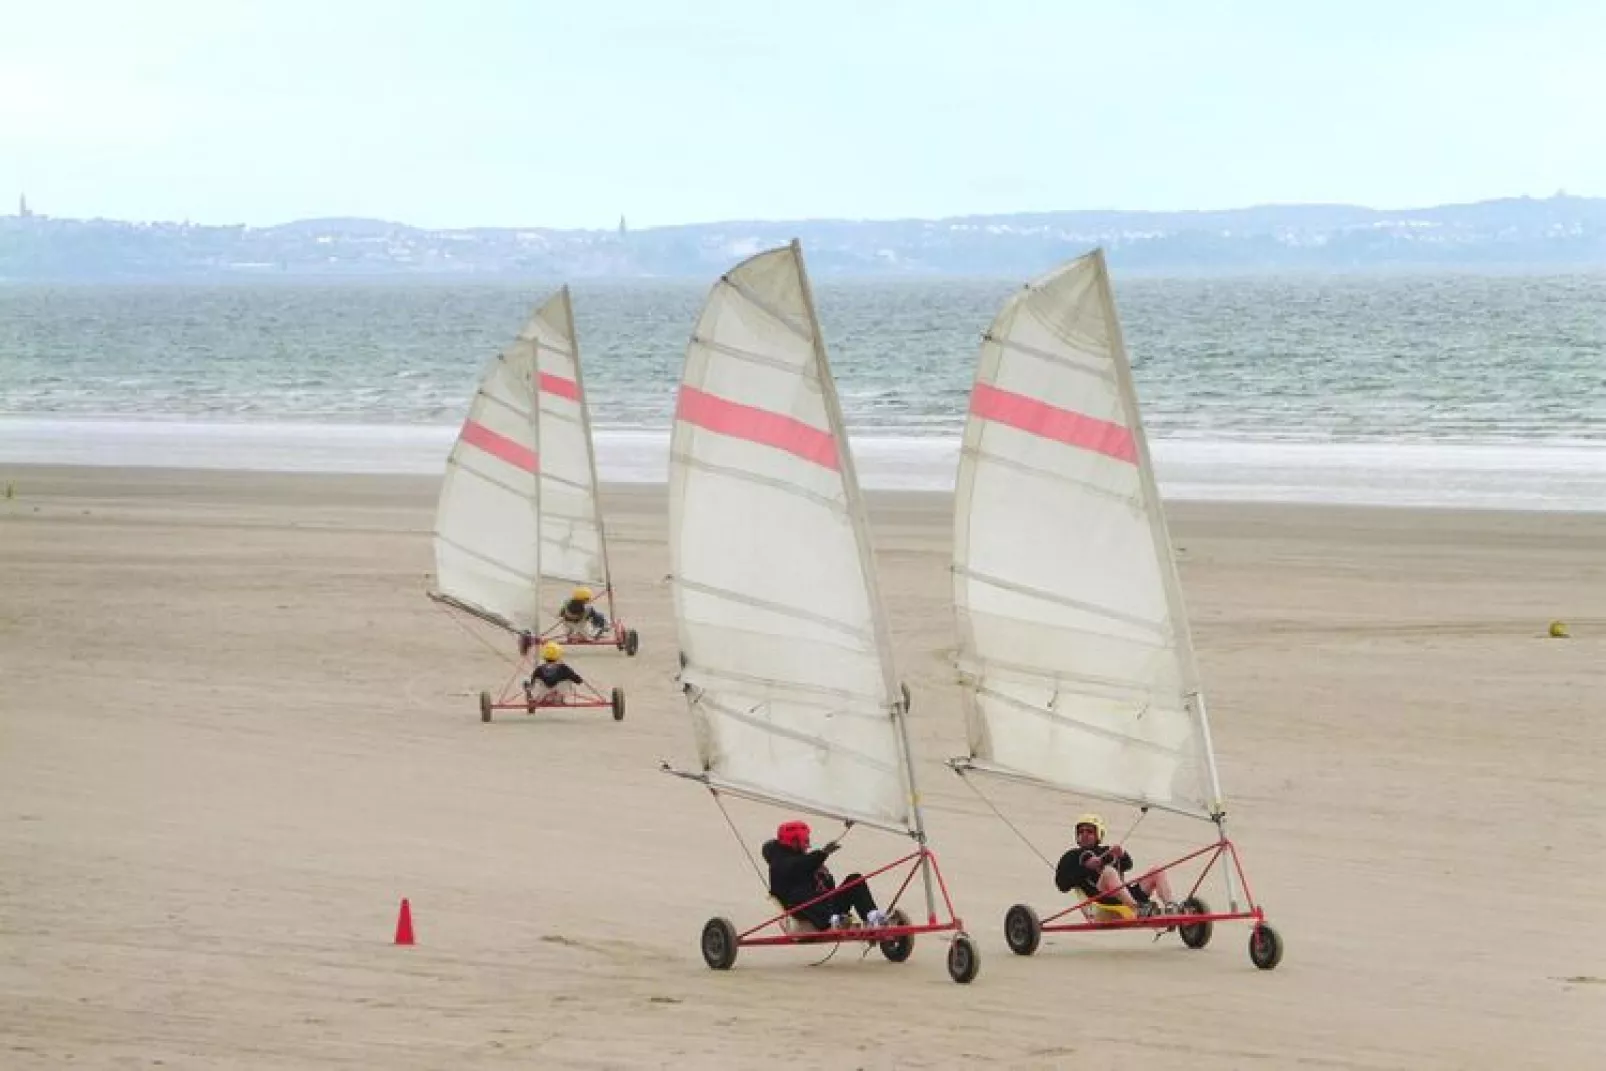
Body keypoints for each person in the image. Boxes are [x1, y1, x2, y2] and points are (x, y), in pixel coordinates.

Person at [763, 820, 892, 931]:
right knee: (798, 893)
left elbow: (829, 886)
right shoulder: (778, 863)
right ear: (793, 841)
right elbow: (795, 866)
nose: (807, 843)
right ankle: (833, 921)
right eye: (804, 839)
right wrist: (821, 854)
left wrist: (824, 876)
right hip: (806, 912)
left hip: (827, 906)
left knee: (855, 879)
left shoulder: (802, 858)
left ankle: (873, 916)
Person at [1054, 812, 1178, 917]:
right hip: (1102, 900)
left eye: (1089, 831)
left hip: (1125, 895)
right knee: (1108, 872)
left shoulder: (1106, 850)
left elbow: (1128, 865)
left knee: (1157, 870)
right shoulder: (1071, 856)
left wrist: (1122, 854)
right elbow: (1062, 885)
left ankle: (1171, 907)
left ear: (1099, 834)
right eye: (1081, 832)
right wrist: (1085, 868)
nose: (1084, 835)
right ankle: (1136, 909)